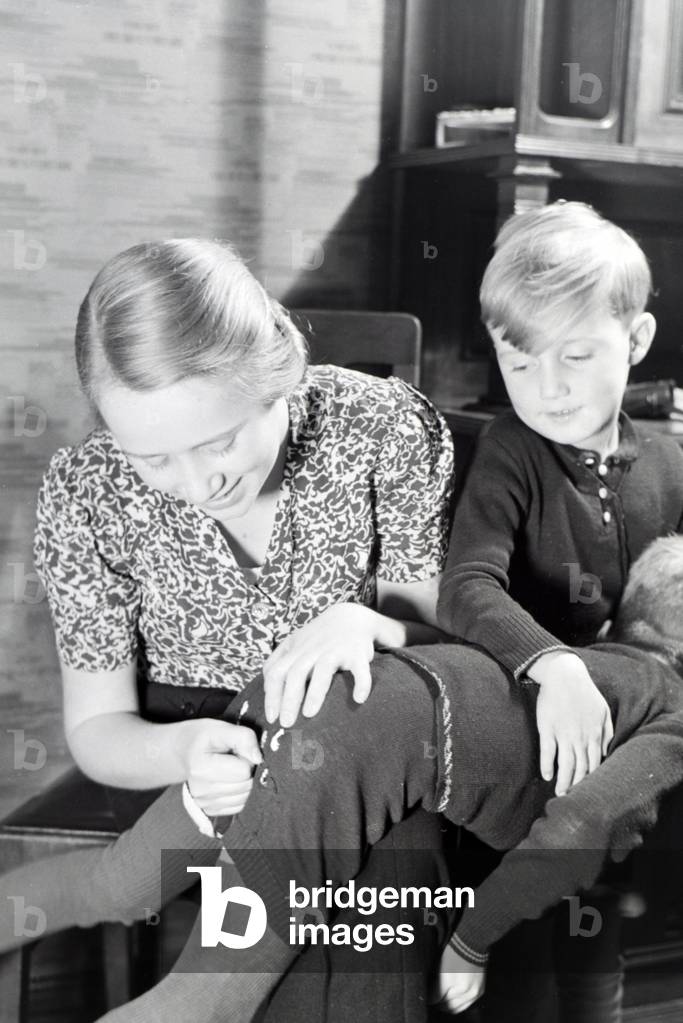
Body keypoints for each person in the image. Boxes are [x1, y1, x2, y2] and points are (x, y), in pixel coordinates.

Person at [0, 238, 455, 1021]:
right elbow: (99, 727)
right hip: (182, 756)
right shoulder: (87, 490)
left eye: (218, 441)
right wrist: (181, 752)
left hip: (357, 734)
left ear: (278, 373)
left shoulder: (381, 427)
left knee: (389, 861)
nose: (198, 482)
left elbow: (444, 656)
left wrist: (370, 622)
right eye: (155, 458)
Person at [7, 533, 682, 1023]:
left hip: (282, 697)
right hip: (333, 753)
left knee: (118, 882)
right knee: (205, 1004)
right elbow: (579, 825)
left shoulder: (553, 652)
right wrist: (471, 944)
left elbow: (452, 666)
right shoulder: (669, 713)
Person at [436, 201, 683, 1021]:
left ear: (636, 342)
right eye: (519, 362)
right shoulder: (511, 451)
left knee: (593, 965)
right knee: (520, 984)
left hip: (619, 762)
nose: (548, 388)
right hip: (518, 749)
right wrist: (553, 662)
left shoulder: (669, 459)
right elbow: (467, 586)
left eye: (577, 355)